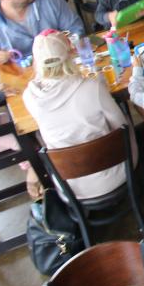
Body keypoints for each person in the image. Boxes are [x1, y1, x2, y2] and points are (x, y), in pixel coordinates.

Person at [23, 31, 135, 200]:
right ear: (71, 54)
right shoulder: (91, 87)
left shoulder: (29, 97)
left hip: (71, 186)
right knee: (127, 124)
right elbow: (121, 127)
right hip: (115, 172)